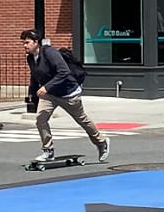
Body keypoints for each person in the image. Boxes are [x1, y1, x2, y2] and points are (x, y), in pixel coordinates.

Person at [21, 29, 107, 164]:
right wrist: (32, 93)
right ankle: (48, 150)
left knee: (82, 119)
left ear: (36, 42)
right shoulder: (30, 58)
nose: (24, 45)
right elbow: (34, 76)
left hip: (68, 93)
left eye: (27, 42)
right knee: (41, 119)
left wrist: (46, 87)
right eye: (23, 43)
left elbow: (64, 72)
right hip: (50, 94)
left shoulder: (50, 53)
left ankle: (101, 142)